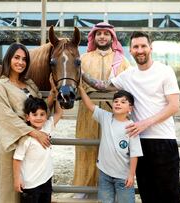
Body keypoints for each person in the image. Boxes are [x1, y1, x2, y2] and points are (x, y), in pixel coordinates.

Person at [82, 31, 180, 202]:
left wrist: (145, 123)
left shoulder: (165, 71)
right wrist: (78, 70)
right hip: (138, 143)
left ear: (151, 47)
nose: (140, 50)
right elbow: (102, 86)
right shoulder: (128, 75)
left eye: (143, 46)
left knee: (170, 195)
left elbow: (174, 106)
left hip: (163, 141)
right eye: (136, 47)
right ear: (131, 50)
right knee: (147, 194)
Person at [0, 42, 52, 203]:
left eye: (24, 59)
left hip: (32, 147)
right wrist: (34, 133)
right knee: (10, 192)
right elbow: (5, 116)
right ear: (8, 59)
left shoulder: (30, 84)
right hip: (12, 144)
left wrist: (53, 91)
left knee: (30, 190)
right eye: (16, 57)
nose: (20, 62)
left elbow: (41, 108)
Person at [73, 22, 130, 193]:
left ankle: (109, 188)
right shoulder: (83, 59)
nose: (102, 36)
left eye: (106, 33)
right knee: (86, 147)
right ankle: (83, 188)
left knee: (112, 150)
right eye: (99, 34)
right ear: (93, 37)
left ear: (112, 37)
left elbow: (127, 88)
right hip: (87, 113)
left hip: (114, 114)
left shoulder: (123, 61)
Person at [78, 84, 142, 203]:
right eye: (116, 101)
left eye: (123, 102)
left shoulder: (132, 127)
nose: (118, 103)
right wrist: (81, 89)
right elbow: (90, 105)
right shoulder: (105, 117)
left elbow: (135, 153)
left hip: (123, 176)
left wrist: (131, 175)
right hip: (105, 174)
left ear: (130, 108)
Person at [13, 93, 63, 203]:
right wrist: (17, 180)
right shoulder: (26, 138)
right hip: (30, 184)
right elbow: (17, 159)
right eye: (35, 114)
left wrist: (58, 94)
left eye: (42, 114)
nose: (39, 118)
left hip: (46, 180)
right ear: (27, 117)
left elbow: (59, 113)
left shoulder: (47, 126)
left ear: (46, 115)